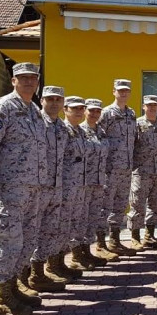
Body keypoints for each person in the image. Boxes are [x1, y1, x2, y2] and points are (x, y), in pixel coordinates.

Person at [0, 62, 48, 315]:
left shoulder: (34, 110)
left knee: (26, 241)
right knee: (9, 242)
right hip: (9, 189)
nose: (28, 83)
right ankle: (2, 296)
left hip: (32, 189)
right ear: (13, 81)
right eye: (22, 79)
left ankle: (14, 286)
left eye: (32, 79)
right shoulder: (3, 108)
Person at [27, 86, 70, 295]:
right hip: (37, 188)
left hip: (56, 187)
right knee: (32, 232)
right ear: (42, 100)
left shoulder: (61, 127)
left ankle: (40, 272)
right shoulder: (35, 124)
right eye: (50, 99)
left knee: (51, 230)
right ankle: (24, 278)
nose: (54, 103)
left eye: (58, 99)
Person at [99, 78, 138, 256]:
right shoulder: (106, 113)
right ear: (113, 92)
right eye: (120, 90)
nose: (123, 93)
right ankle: (100, 244)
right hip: (110, 168)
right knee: (104, 206)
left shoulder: (131, 114)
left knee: (120, 205)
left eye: (126, 91)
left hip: (126, 168)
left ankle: (115, 241)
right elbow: (97, 136)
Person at [129, 95, 157, 250]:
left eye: (154, 105)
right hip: (141, 171)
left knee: (156, 203)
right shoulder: (137, 124)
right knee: (137, 204)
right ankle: (134, 237)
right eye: (148, 105)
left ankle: (149, 235)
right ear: (143, 107)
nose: (152, 108)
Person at [62, 96, 93, 272]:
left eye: (81, 109)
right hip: (65, 187)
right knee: (62, 225)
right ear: (65, 109)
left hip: (80, 185)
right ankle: (56, 263)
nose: (79, 112)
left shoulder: (80, 132)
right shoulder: (62, 130)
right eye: (75, 109)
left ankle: (77, 254)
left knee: (78, 221)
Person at [83, 99, 117, 262]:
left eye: (98, 111)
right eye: (91, 110)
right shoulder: (79, 131)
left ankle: (90, 251)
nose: (95, 114)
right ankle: (78, 255)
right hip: (82, 183)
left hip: (98, 181)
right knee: (79, 219)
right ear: (85, 111)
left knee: (94, 216)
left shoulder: (101, 132)